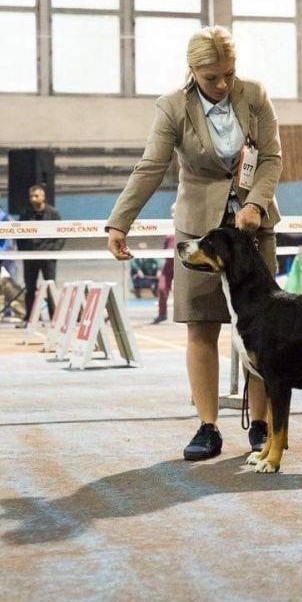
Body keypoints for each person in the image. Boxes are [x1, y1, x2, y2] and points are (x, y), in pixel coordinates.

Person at [106, 25, 282, 460]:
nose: (222, 85)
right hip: (198, 229)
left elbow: (271, 157)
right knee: (201, 327)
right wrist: (119, 222)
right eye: (211, 78)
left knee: (263, 327)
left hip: (252, 226)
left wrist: (255, 203)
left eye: (229, 74)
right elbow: (151, 166)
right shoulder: (172, 106)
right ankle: (207, 427)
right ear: (192, 70)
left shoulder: (254, 95)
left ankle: (262, 425)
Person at [16, 185, 65, 326]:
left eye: (36, 196)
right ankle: (30, 318)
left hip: (48, 257)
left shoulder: (53, 214)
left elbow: (62, 233)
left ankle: (54, 318)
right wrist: (24, 252)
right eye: (31, 196)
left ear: (43, 197)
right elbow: (19, 234)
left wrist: (54, 249)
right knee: (30, 288)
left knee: (50, 287)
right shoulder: (25, 214)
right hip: (30, 257)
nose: (33, 199)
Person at [152, 202, 176, 324]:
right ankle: (162, 314)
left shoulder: (188, 226)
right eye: (172, 212)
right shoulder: (167, 228)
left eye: (175, 211)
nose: (173, 214)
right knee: (162, 288)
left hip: (182, 264)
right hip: (168, 264)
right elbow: (163, 250)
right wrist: (159, 268)